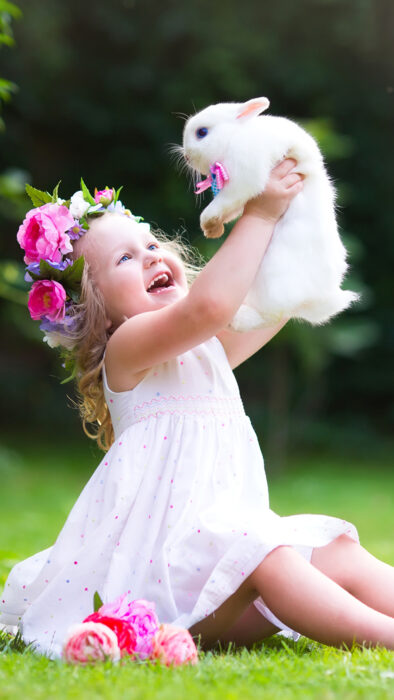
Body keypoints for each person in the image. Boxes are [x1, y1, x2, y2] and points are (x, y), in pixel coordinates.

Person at [2, 161, 394, 660]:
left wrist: (296, 214)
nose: (150, 257)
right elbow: (210, 307)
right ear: (97, 308)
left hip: (222, 578)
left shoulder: (204, 350)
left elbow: (277, 300)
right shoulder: (127, 348)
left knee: (335, 551)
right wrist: (262, 215)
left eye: (150, 245)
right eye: (125, 259)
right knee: (266, 554)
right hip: (165, 591)